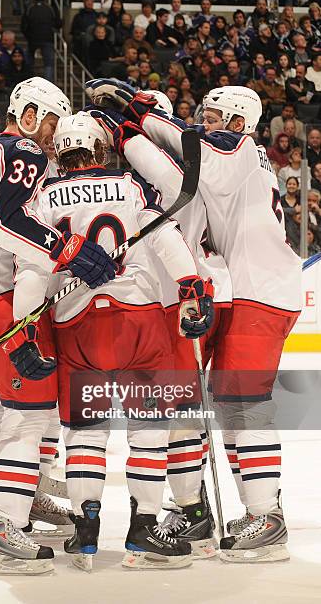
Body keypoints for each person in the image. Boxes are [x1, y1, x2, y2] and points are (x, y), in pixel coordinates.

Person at [87, 81, 302, 562]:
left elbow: (175, 161)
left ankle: (267, 517)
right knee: (224, 408)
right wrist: (131, 131)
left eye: (211, 118)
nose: (202, 126)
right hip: (244, 289)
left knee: (244, 406)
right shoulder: (229, 157)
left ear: (238, 121)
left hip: (256, 292)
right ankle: (229, 512)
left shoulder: (238, 149)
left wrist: (131, 124)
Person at [0, 78, 117, 575]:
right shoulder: (21, 149)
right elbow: (6, 220)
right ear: (26, 114)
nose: (50, 135)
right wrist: (67, 249)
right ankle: (4, 527)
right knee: (29, 418)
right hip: (2, 305)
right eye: (47, 122)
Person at [36, 110, 213, 571]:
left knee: (87, 433)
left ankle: (86, 531)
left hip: (76, 325)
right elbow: (165, 240)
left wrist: (29, 327)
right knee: (148, 429)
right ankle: (144, 529)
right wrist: (192, 287)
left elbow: (32, 266)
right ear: (100, 148)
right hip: (138, 319)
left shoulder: (46, 196)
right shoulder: (131, 186)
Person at [21, 0, 61, 82]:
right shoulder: (50, 8)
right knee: (48, 64)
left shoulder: (30, 8)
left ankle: (29, 81)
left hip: (32, 39)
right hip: (47, 39)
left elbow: (23, 26)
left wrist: (28, 36)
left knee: (29, 63)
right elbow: (58, 23)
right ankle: (47, 85)